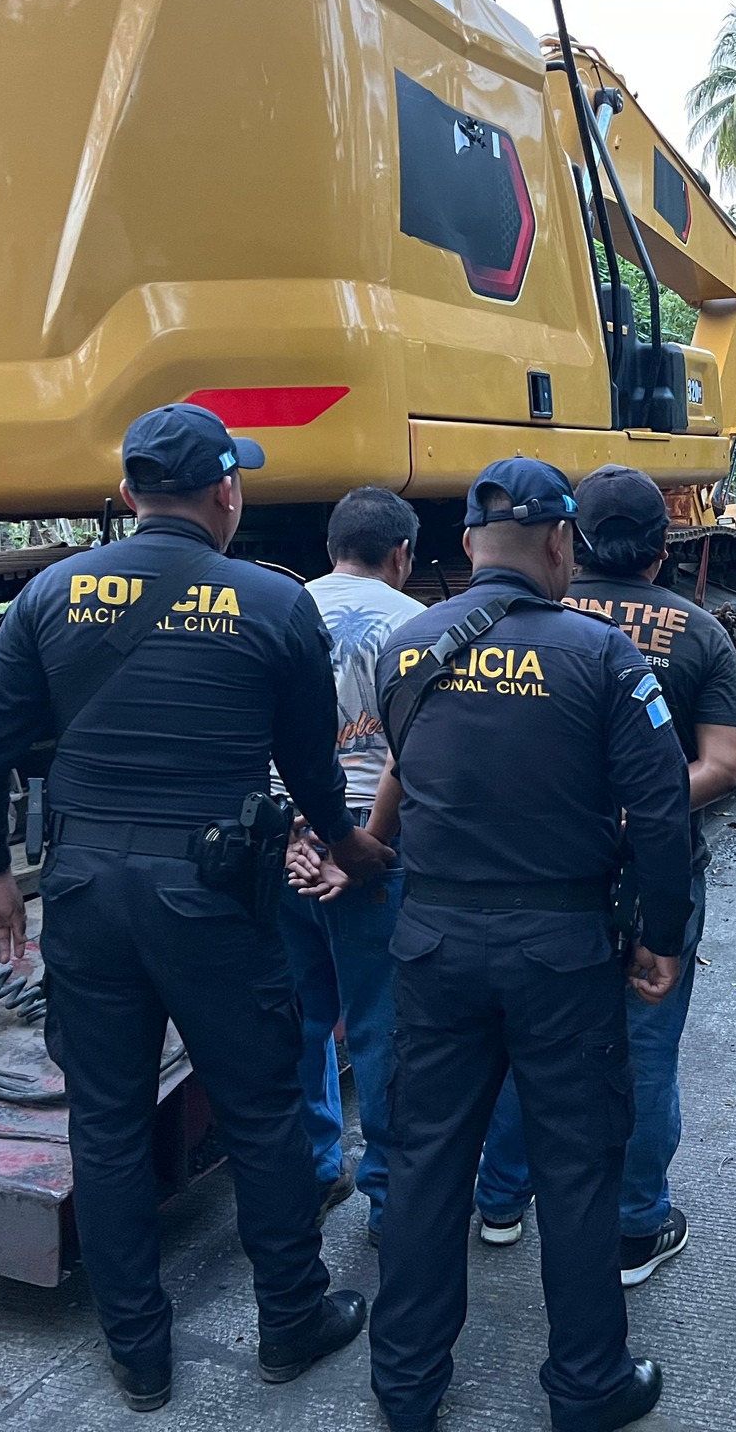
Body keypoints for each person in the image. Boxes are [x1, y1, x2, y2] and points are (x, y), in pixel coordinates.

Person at [0, 404, 392, 1413]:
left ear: (125, 495)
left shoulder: (50, 595)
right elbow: (312, 767)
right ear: (226, 492)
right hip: (214, 901)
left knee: (102, 1125)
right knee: (264, 1112)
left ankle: (138, 1353)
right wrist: (348, 843)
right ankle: (290, 1320)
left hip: (87, 890)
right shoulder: (271, 603)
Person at [367, 458, 693, 1432]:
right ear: (562, 544)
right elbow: (664, 810)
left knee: (427, 1162)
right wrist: (659, 937)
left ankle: (406, 1383)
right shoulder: (603, 658)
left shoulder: (405, 648)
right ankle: (587, 1388)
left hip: (431, 941)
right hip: (560, 948)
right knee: (578, 1168)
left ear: (467, 544)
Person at [474, 466, 736, 1286]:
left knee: (526, 1040)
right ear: (664, 551)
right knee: (646, 1045)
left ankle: (497, 1202)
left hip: (539, 870)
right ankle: (634, 1226)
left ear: (571, 538)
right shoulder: (698, 632)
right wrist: (637, 810)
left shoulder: (521, 621)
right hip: (653, 873)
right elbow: (725, 764)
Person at [277, 487, 425, 1246]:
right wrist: (359, 845)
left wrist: (299, 837)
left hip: (289, 851)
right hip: (371, 849)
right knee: (380, 1027)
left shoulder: (278, 608)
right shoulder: (416, 625)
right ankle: (390, 1200)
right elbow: (410, 753)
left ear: (332, 543)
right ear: (401, 554)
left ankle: (312, 1169)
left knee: (302, 1022)